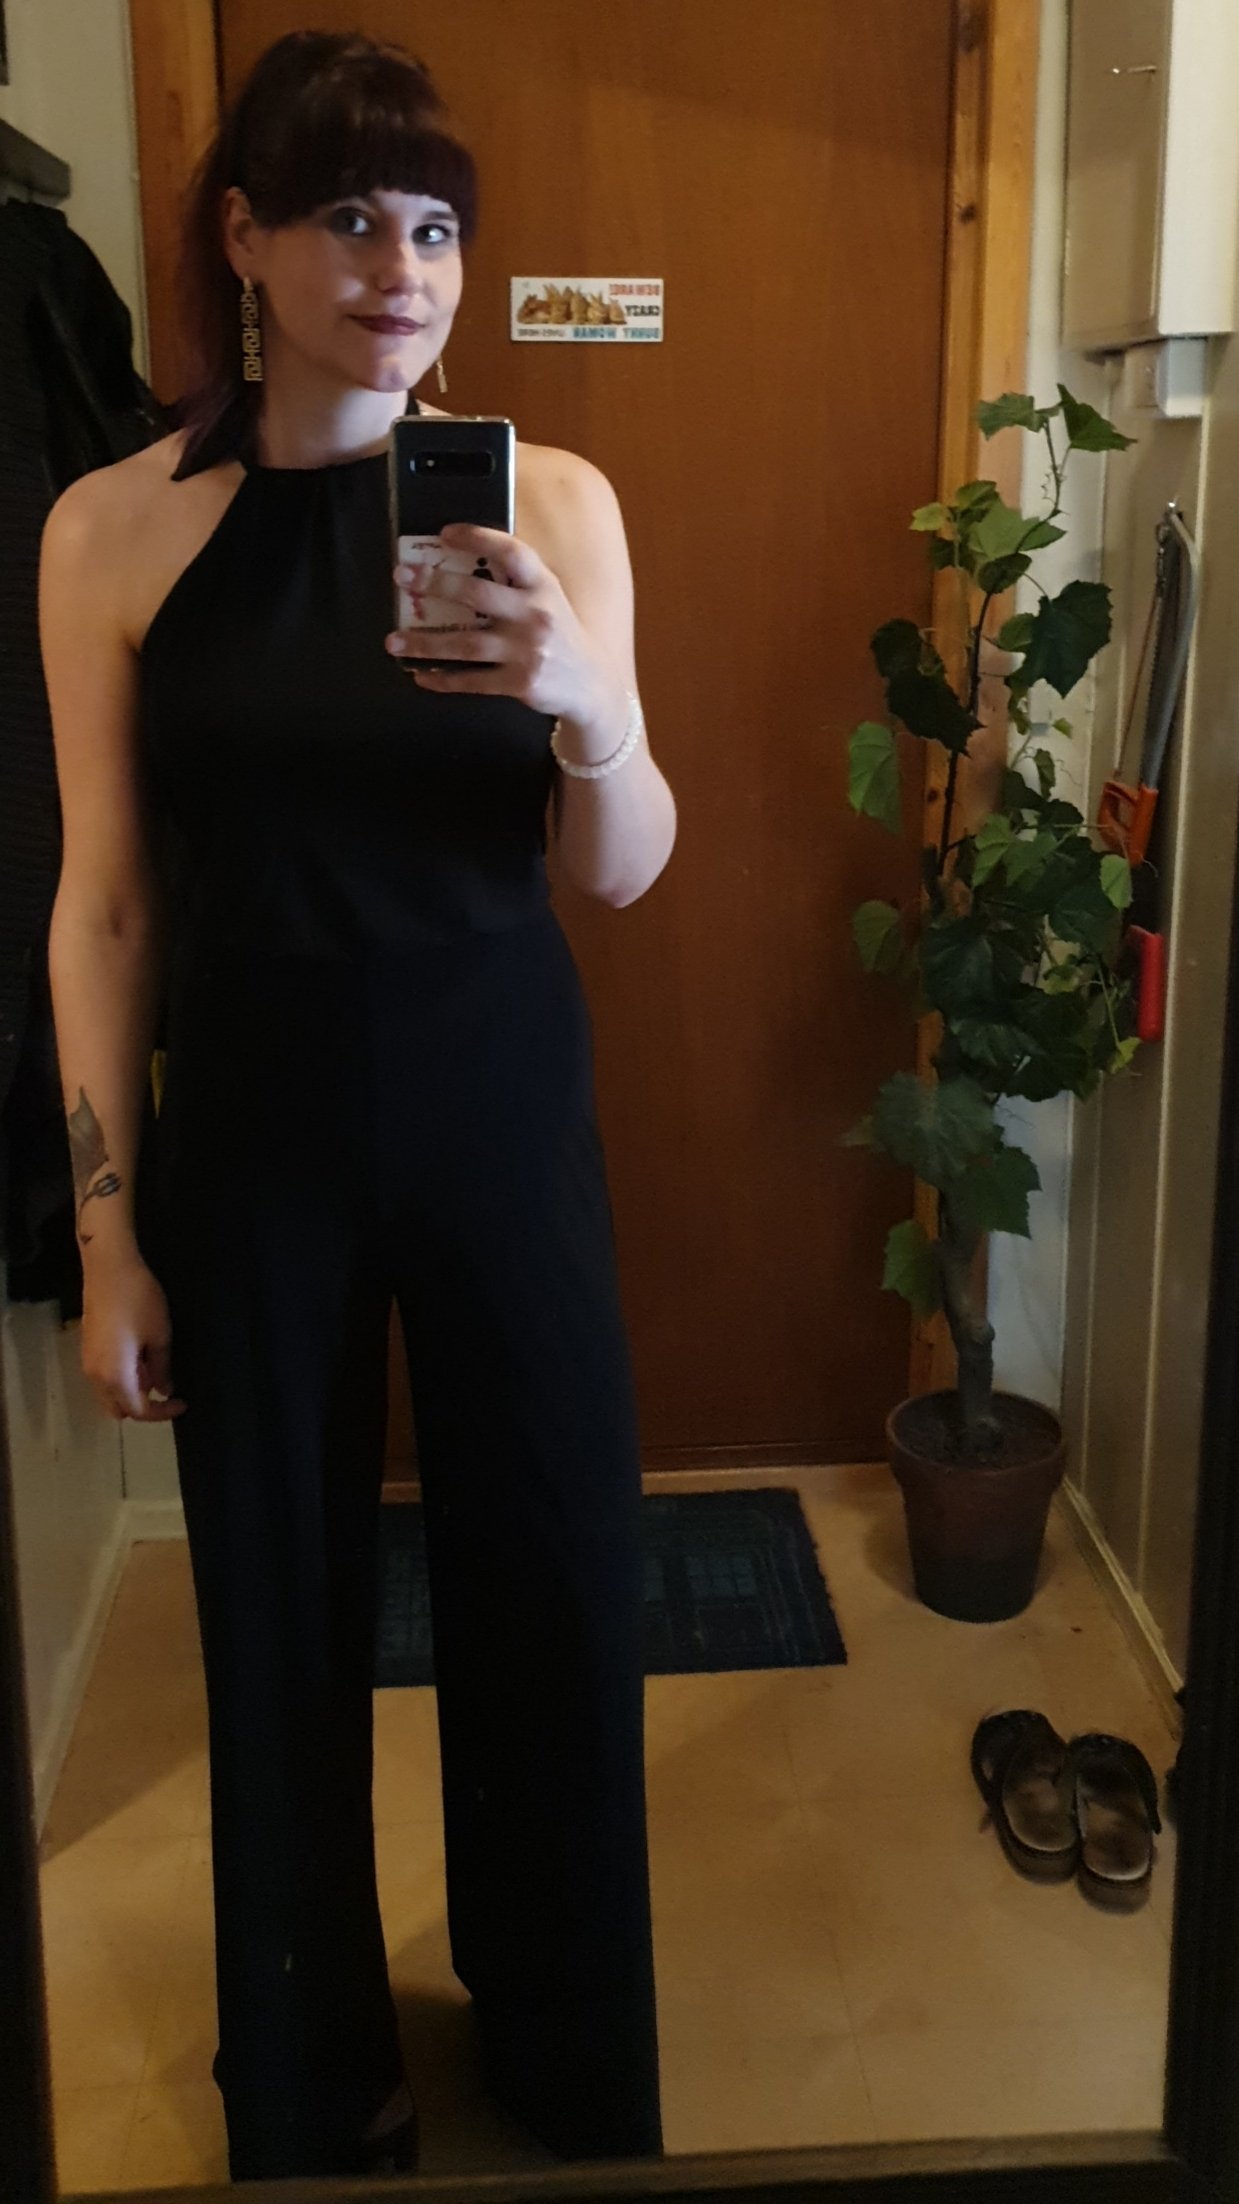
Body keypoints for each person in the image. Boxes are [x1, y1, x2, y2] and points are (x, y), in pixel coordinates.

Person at [38, 28, 675, 2183]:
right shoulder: (112, 530)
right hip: (256, 1139)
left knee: (555, 1579)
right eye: (344, 219)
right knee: (276, 1609)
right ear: (242, 238)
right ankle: (315, 2082)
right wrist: (109, 1231)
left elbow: (624, 865)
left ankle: (563, 2040)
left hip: (504, 1114)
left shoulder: (554, 503)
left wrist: (583, 704)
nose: (401, 271)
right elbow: (105, 904)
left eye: (434, 228)